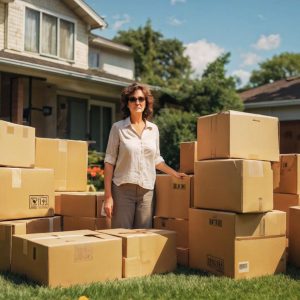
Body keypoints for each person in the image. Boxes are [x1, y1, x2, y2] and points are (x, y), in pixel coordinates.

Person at [104, 82, 186, 229]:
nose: (137, 102)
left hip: (147, 192)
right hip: (123, 191)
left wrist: (175, 174)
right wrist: (108, 197)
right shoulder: (118, 128)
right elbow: (109, 162)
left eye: (141, 99)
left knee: (142, 239)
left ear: (146, 102)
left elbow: (156, 160)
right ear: (127, 103)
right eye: (133, 99)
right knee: (121, 236)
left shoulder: (153, 129)